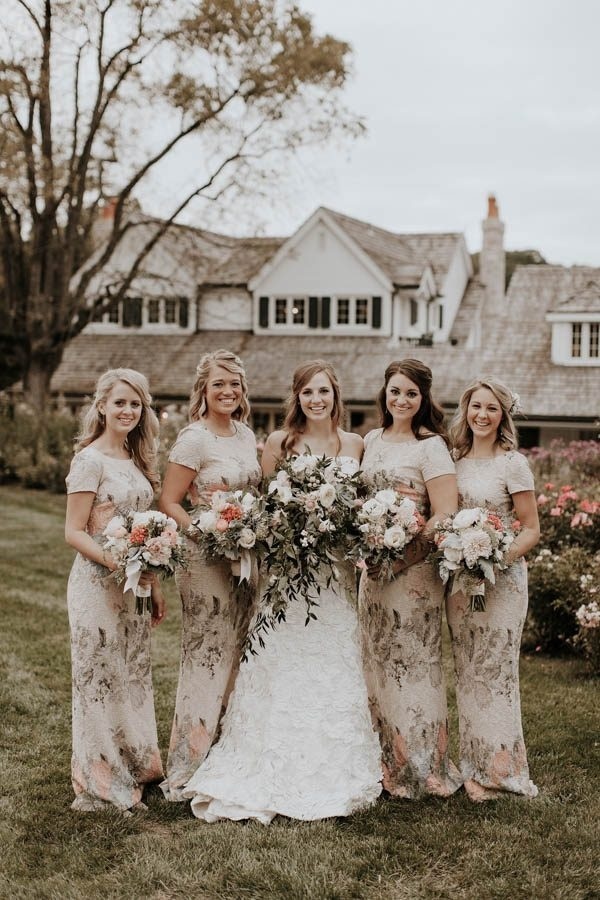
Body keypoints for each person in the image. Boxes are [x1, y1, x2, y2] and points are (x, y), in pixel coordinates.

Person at [182, 360, 382, 823]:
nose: (316, 400)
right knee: (283, 654)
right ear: (297, 398)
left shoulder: (355, 444)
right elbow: (267, 506)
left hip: (334, 574)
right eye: (308, 392)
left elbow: (360, 507)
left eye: (324, 392)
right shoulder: (278, 443)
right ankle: (264, 755)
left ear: (336, 396)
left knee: (332, 658)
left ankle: (335, 758)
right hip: (289, 573)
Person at [158, 349, 261, 800]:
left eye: (235, 384)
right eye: (219, 383)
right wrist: (206, 533)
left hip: (244, 558)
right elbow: (170, 501)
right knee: (205, 655)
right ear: (203, 388)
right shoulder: (193, 439)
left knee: (238, 652)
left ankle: (226, 752)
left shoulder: (245, 436)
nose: (228, 391)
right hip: (203, 559)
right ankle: (189, 762)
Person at [359, 358, 462, 798]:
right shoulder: (370, 441)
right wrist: (371, 547)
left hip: (415, 572)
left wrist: (402, 554)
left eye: (411, 393)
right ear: (385, 394)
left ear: (424, 400)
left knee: (414, 665)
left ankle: (420, 765)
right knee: (375, 662)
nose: (401, 399)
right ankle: (382, 761)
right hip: (373, 573)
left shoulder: (431, 447)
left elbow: (444, 514)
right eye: (395, 391)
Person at [65, 368, 165, 813]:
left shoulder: (136, 458)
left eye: (135, 404)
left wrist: (152, 582)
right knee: (98, 678)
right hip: (96, 584)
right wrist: (114, 560)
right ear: (102, 405)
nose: (128, 410)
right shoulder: (89, 461)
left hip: (135, 589)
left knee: (131, 675)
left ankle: (133, 763)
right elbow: (73, 531)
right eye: (120, 402)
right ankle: (102, 779)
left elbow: (149, 529)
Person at [446, 378, 540, 801]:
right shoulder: (454, 458)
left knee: (497, 674)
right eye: (476, 407)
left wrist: (492, 561)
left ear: (503, 415)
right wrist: (462, 558)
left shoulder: (512, 464)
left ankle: (501, 771)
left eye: (492, 409)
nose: (482, 416)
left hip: (500, 582)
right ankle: (473, 768)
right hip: (459, 584)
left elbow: (532, 528)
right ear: (466, 410)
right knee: (467, 673)